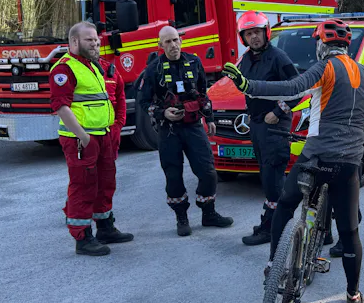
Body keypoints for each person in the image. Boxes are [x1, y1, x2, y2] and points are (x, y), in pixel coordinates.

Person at [223, 19, 364, 303]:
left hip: (316, 157)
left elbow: (291, 88)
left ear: (321, 46)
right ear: (346, 46)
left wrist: (248, 86)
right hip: (349, 162)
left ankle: (273, 264)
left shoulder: (325, 68)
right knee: (350, 231)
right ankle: (353, 294)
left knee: (285, 204)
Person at [137, 25, 233, 236]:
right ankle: (181, 217)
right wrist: (163, 113)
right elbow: (143, 101)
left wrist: (210, 118)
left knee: (208, 171)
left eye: (176, 40)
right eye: (168, 42)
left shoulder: (194, 62)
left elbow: (203, 92)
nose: (173, 45)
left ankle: (208, 213)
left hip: (194, 126)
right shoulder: (153, 69)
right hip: (168, 130)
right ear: (160, 45)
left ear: (181, 40)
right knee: (173, 175)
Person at [50, 21, 134, 256]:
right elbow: (61, 107)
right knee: (83, 186)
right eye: (89, 40)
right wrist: (84, 137)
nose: (96, 43)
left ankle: (105, 227)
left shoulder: (93, 66)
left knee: (105, 183)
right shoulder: (64, 69)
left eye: (96, 39)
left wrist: (113, 129)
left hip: (102, 135)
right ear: (74, 41)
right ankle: (83, 238)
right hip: (81, 139)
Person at [234, 11, 302, 247]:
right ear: (243, 37)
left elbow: (298, 89)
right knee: (266, 176)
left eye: (257, 32)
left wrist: (279, 111)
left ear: (266, 33)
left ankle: (273, 229)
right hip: (257, 125)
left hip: (274, 126)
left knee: (273, 180)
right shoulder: (246, 59)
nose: (254, 37)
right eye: (249, 33)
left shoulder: (278, 58)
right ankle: (275, 225)